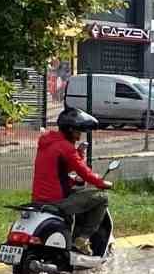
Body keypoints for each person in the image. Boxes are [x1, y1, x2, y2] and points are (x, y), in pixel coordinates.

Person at [32, 107, 113, 255]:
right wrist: (101, 183)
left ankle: (73, 239)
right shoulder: (65, 147)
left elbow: (62, 168)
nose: (79, 136)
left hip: (40, 199)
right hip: (56, 200)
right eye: (78, 131)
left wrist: (79, 153)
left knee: (80, 192)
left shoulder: (48, 143)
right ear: (70, 130)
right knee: (102, 198)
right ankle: (82, 238)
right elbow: (83, 171)